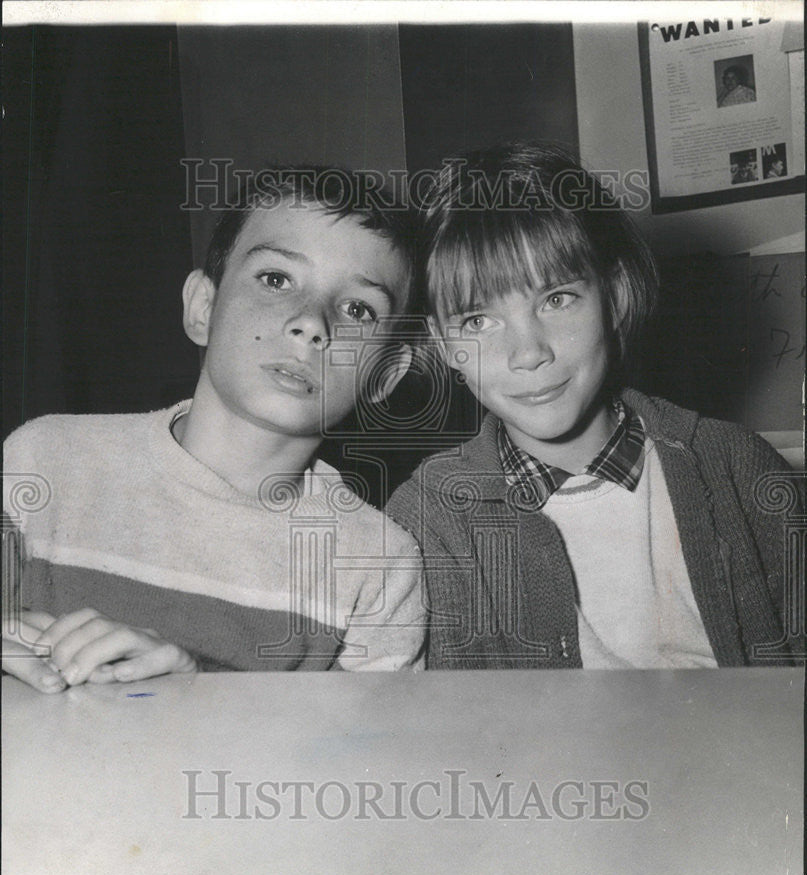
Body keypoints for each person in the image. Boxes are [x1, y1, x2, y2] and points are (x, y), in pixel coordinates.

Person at [3, 167, 426, 691]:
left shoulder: (377, 563)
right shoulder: (44, 461)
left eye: (358, 309)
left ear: (386, 374)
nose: (312, 322)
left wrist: (201, 689)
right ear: (203, 308)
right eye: (276, 280)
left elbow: (374, 759)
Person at [386, 141, 801, 669]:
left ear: (617, 295)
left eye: (556, 299)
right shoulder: (428, 521)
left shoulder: (740, 469)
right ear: (444, 346)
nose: (530, 353)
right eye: (477, 321)